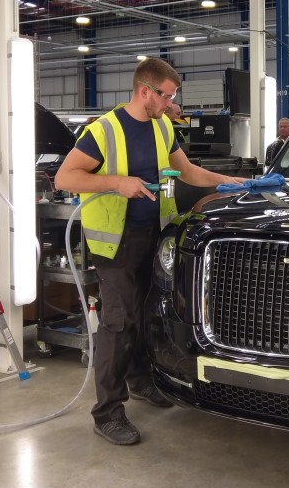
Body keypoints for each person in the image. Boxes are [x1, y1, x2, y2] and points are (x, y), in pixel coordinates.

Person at [54, 57, 247, 447]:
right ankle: (107, 412)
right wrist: (116, 182)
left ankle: (141, 380)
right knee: (119, 323)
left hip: (154, 235)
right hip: (116, 241)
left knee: (146, 314)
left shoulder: (161, 127)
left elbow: (189, 171)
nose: (171, 104)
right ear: (146, 91)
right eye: (167, 96)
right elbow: (64, 177)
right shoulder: (104, 130)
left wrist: (232, 181)